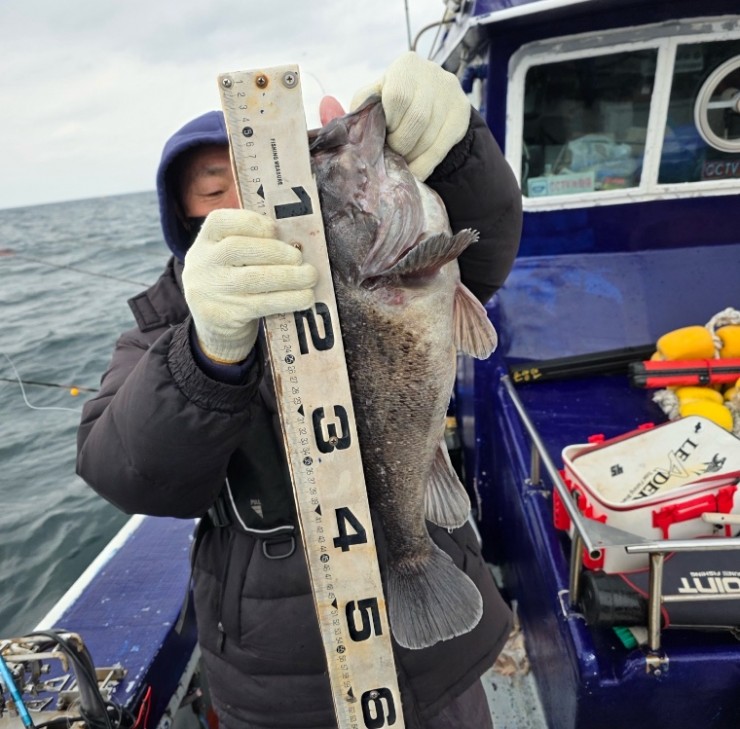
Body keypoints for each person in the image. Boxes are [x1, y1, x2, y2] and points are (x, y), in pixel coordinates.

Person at [77, 52, 522, 729]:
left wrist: (460, 150)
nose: (242, 196)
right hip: (275, 679)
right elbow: (126, 470)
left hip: (436, 670)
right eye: (213, 187)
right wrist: (207, 350)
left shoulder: (363, 250)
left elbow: (481, 243)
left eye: (260, 171)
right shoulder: (164, 326)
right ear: (183, 216)